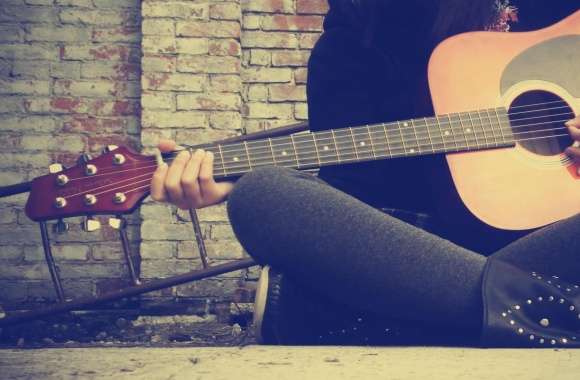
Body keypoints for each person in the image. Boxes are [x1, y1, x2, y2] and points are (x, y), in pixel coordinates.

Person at [151, 0, 580, 347]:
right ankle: (556, 313)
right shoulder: (371, 14)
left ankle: (414, 320)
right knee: (264, 194)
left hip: (556, 244)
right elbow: (349, 179)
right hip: (421, 249)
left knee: (301, 303)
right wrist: (231, 175)